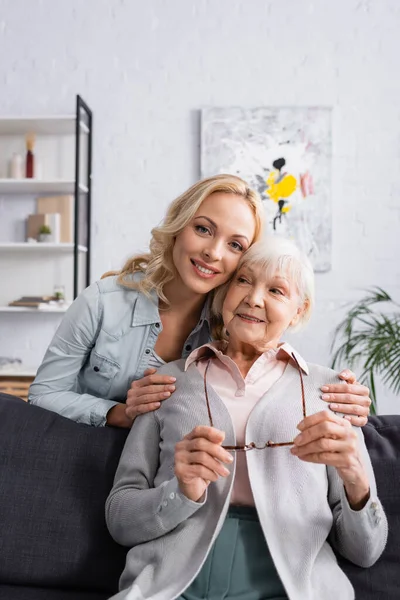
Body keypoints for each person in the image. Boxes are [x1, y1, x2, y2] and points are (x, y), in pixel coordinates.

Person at [105, 236, 387, 600]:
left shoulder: (332, 391)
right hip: (169, 588)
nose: (254, 298)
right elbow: (120, 521)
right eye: (243, 280)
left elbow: (366, 552)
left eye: (276, 290)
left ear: (299, 310)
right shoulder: (167, 382)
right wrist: (182, 491)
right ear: (223, 292)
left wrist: (356, 480)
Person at [29, 175, 371, 428]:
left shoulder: (234, 325)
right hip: (81, 456)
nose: (213, 252)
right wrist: (119, 413)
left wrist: (340, 398)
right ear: (179, 227)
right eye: (204, 229)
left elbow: (273, 380)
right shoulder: (101, 303)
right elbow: (42, 395)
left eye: (235, 245)